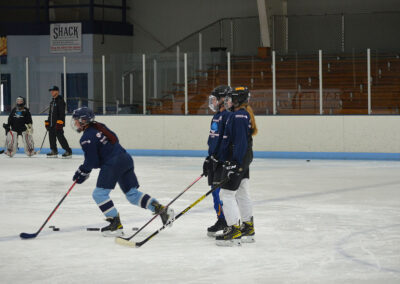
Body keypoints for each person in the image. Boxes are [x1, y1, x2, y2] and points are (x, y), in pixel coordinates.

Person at [71, 106, 174, 237]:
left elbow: (92, 161)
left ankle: (115, 225)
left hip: (112, 163)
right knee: (132, 194)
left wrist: (82, 171)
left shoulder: (86, 138)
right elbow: (115, 139)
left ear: (83, 120)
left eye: (76, 120)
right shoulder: (100, 126)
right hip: (125, 159)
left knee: (99, 194)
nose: (75, 123)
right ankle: (161, 209)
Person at [216, 86, 258, 246]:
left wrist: (234, 163)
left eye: (231, 98)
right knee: (242, 192)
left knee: (226, 194)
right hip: (243, 159)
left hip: (239, 160)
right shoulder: (241, 114)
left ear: (239, 100)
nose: (228, 101)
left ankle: (234, 229)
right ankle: (247, 227)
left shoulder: (239, 116)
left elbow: (240, 142)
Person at [202, 85, 232, 237]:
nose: (212, 101)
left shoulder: (228, 116)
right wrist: (209, 157)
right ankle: (221, 219)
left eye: (215, 98)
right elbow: (213, 139)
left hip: (222, 162)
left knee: (221, 193)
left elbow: (226, 141)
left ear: (223, 99)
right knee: (214, 192)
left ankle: (228, 221)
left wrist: (219, 157)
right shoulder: (215, 116)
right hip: (214, 161)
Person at [45, 85, 72, 158]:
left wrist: (59, 123)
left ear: (57, 91)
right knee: (51, 137)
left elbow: (62, 114)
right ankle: (54, 150)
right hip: (51, 124)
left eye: (53, 91)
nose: (52, 92)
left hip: (58, 124)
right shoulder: (52, 102)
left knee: (60, 137)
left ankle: (68, 151)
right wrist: (47, 122)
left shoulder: (60, 101)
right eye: (51, 91)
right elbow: (50, 114)